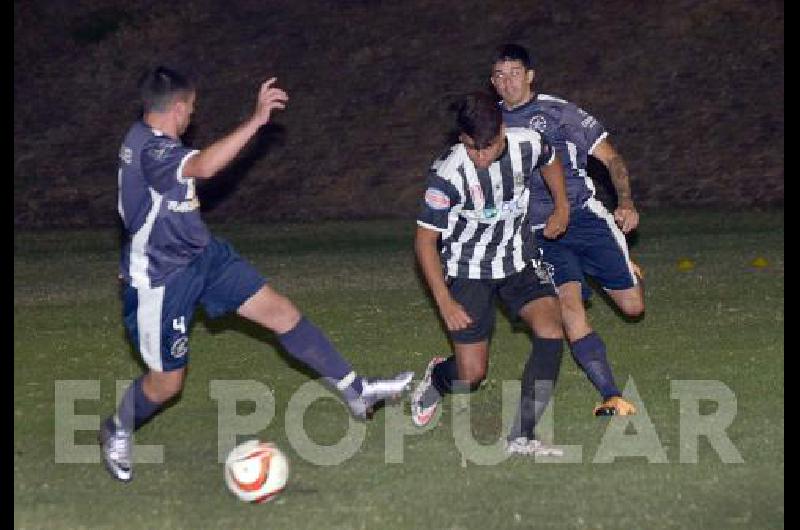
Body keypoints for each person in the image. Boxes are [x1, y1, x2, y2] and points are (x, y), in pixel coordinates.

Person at [100, 66, 414, 482]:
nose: (193, 117)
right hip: (162, 279)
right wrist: (257, 120)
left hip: (202, 256)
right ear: (176, 108)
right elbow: (207, 167)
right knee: (167, 385)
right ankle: (116, 428)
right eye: (190, 109)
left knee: (282, 313)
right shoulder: (150, 151)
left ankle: (358, 392)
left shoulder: (155, 143)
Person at [410, 91, 570, 455]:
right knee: (471, 374)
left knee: (550, 329)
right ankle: (438, 376)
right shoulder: (448, 174)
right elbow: (424, 243)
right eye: (472, 148)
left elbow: (550, 159)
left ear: (503, 130)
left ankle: (522, 436)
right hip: (468, 268)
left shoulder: (527, 143)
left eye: (489, 146)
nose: (481, 156)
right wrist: (445, 301)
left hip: (517, 259)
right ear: (461, 139)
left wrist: (561, 205)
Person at [489, 44, 644, 416]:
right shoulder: (489, 123)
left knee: (633, 308)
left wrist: (625, 202)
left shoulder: (558, 113)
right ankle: (611, 394)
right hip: (539, 232)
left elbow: (611, 157)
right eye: (499, 75)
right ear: (492, 82)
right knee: (569, 306)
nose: (507, 82)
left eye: (514, 73)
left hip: (584, 218)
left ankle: (626, 270)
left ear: (529, 76)